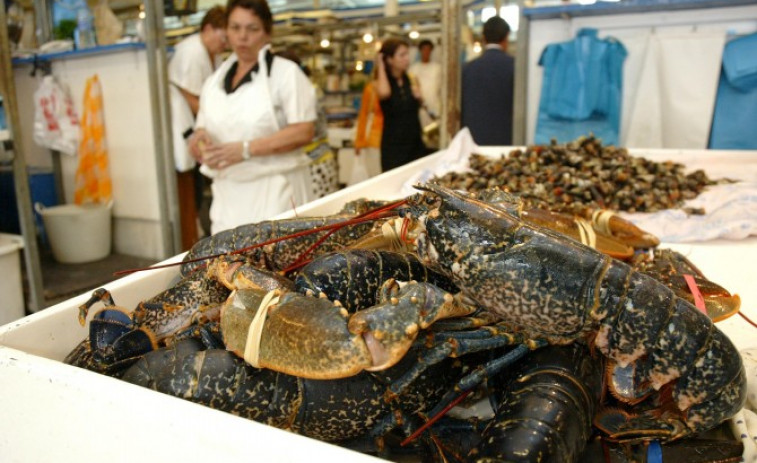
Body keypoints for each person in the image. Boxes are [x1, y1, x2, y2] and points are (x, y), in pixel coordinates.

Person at [188, 0, 317, 235]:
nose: (242, 37)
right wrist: (199, 140)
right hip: (227, 197)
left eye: (252, 29)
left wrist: (246, 149)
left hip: (275, 194)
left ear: (267, 33)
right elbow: (203, 127)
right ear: (226, 31)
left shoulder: (286, 74)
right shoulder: (213, 82)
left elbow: (303, 130)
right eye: (235, 28)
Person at [168, 5, 227, 247]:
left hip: (200, 122)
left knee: (199, 181)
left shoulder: (214, 54)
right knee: (189, 179)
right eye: (223, 37)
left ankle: (199, 229)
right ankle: (191, 236)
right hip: (184, 122)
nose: (225, 43)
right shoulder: (192, 52)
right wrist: (215, 126)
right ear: (208, 29)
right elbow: (192, 97)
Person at [461, 16, 515, 146]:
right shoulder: (516, 67)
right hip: (506, 141)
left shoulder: (467, 69)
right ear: (506, 37)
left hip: (473, 142)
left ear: (483, 38)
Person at [374, 37, 426, 172]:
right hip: (394, 146)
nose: (407, 58)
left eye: (407, 54)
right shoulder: (383, 81)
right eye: (402, 55)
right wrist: (380, 63)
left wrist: (420, 98)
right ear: (390, 59)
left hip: (415, 142)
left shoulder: (411, 79)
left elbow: (420, 104)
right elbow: (384, 94)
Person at [409, 39, 441, 130]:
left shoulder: (437, 68)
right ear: (420, 51)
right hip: (419, 109)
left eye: (428, 50)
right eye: (424, 49)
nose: (426, 52)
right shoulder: (413, 69)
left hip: (434, 109)